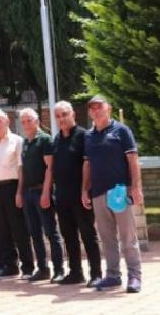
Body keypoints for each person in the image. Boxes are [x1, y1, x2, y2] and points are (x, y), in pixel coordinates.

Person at [83, 95, 143, 293]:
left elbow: (133, 159)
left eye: (99, 107)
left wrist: (135, 187)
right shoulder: (89, 136)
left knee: (128, 237)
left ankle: (134, 277)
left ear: (108, 108)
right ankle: (113, 276)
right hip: (98, 194)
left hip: (119, 191)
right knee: (107, 238)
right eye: (92, 108)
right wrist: (85, 189)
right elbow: (88, 164)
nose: (96, 111)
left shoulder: (122, 130)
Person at [50, 101, 101, 287]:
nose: (61, 118)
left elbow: (89, 165)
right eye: (58, 116)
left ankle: (96, 274)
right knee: (69, 236)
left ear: (73, 115)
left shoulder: (84, 136)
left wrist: (85, 191)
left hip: (81, 197)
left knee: (88, 235)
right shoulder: (56, 139)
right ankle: (76, 273)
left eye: (64, 114)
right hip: (62, 198)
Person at [0, 108, 34, 280]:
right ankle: (10, 266)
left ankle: (27, 267)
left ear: (7, 122)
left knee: (19, 229)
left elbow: (21, 169)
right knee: (2, 230)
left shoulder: (17, 141)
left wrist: (19, 192)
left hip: (12, 189)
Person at [19, 108, 64, 282]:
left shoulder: (44, 139)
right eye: (23, 121)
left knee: (51, 232)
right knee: (34, 233)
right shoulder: (25, 142)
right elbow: (23, 169)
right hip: (28, 192)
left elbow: (50, 168)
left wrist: (46, 192)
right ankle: (43, 269)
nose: (26, 124)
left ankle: (59, 270)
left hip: (41, 191)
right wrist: (21, 192)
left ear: (37, 121)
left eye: (29, 120)